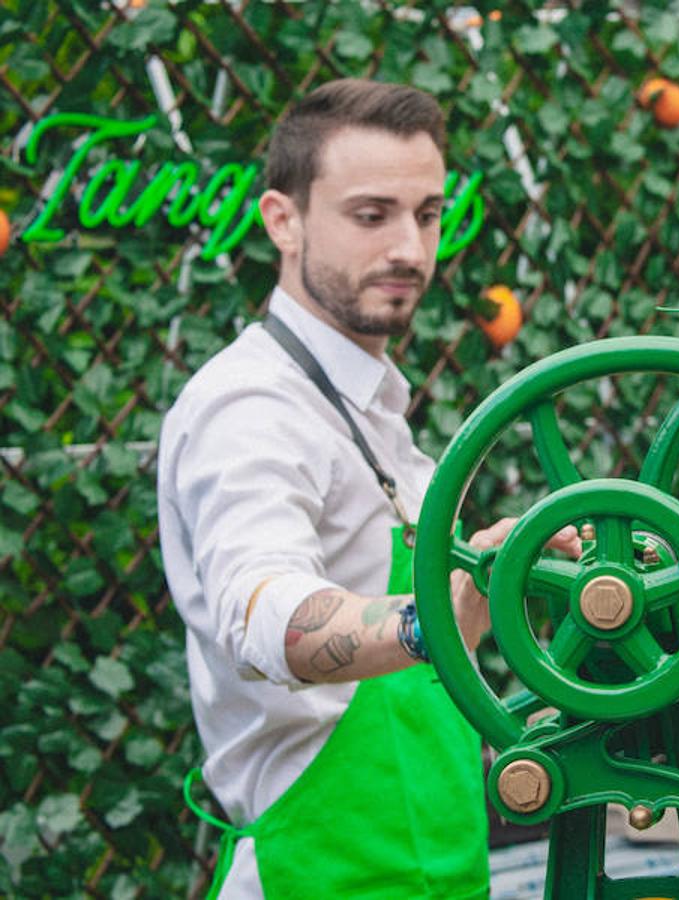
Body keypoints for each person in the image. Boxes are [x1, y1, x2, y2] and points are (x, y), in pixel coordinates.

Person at [158, 79, 574, 898]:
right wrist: (432, 621)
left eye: (426, 214)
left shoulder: (370, 404)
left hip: (437, 867)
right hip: (319, 872)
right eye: (371, 215)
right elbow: (265, 609)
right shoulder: (249, 406)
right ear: (283, 219)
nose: (412, 251)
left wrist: (487, 571)